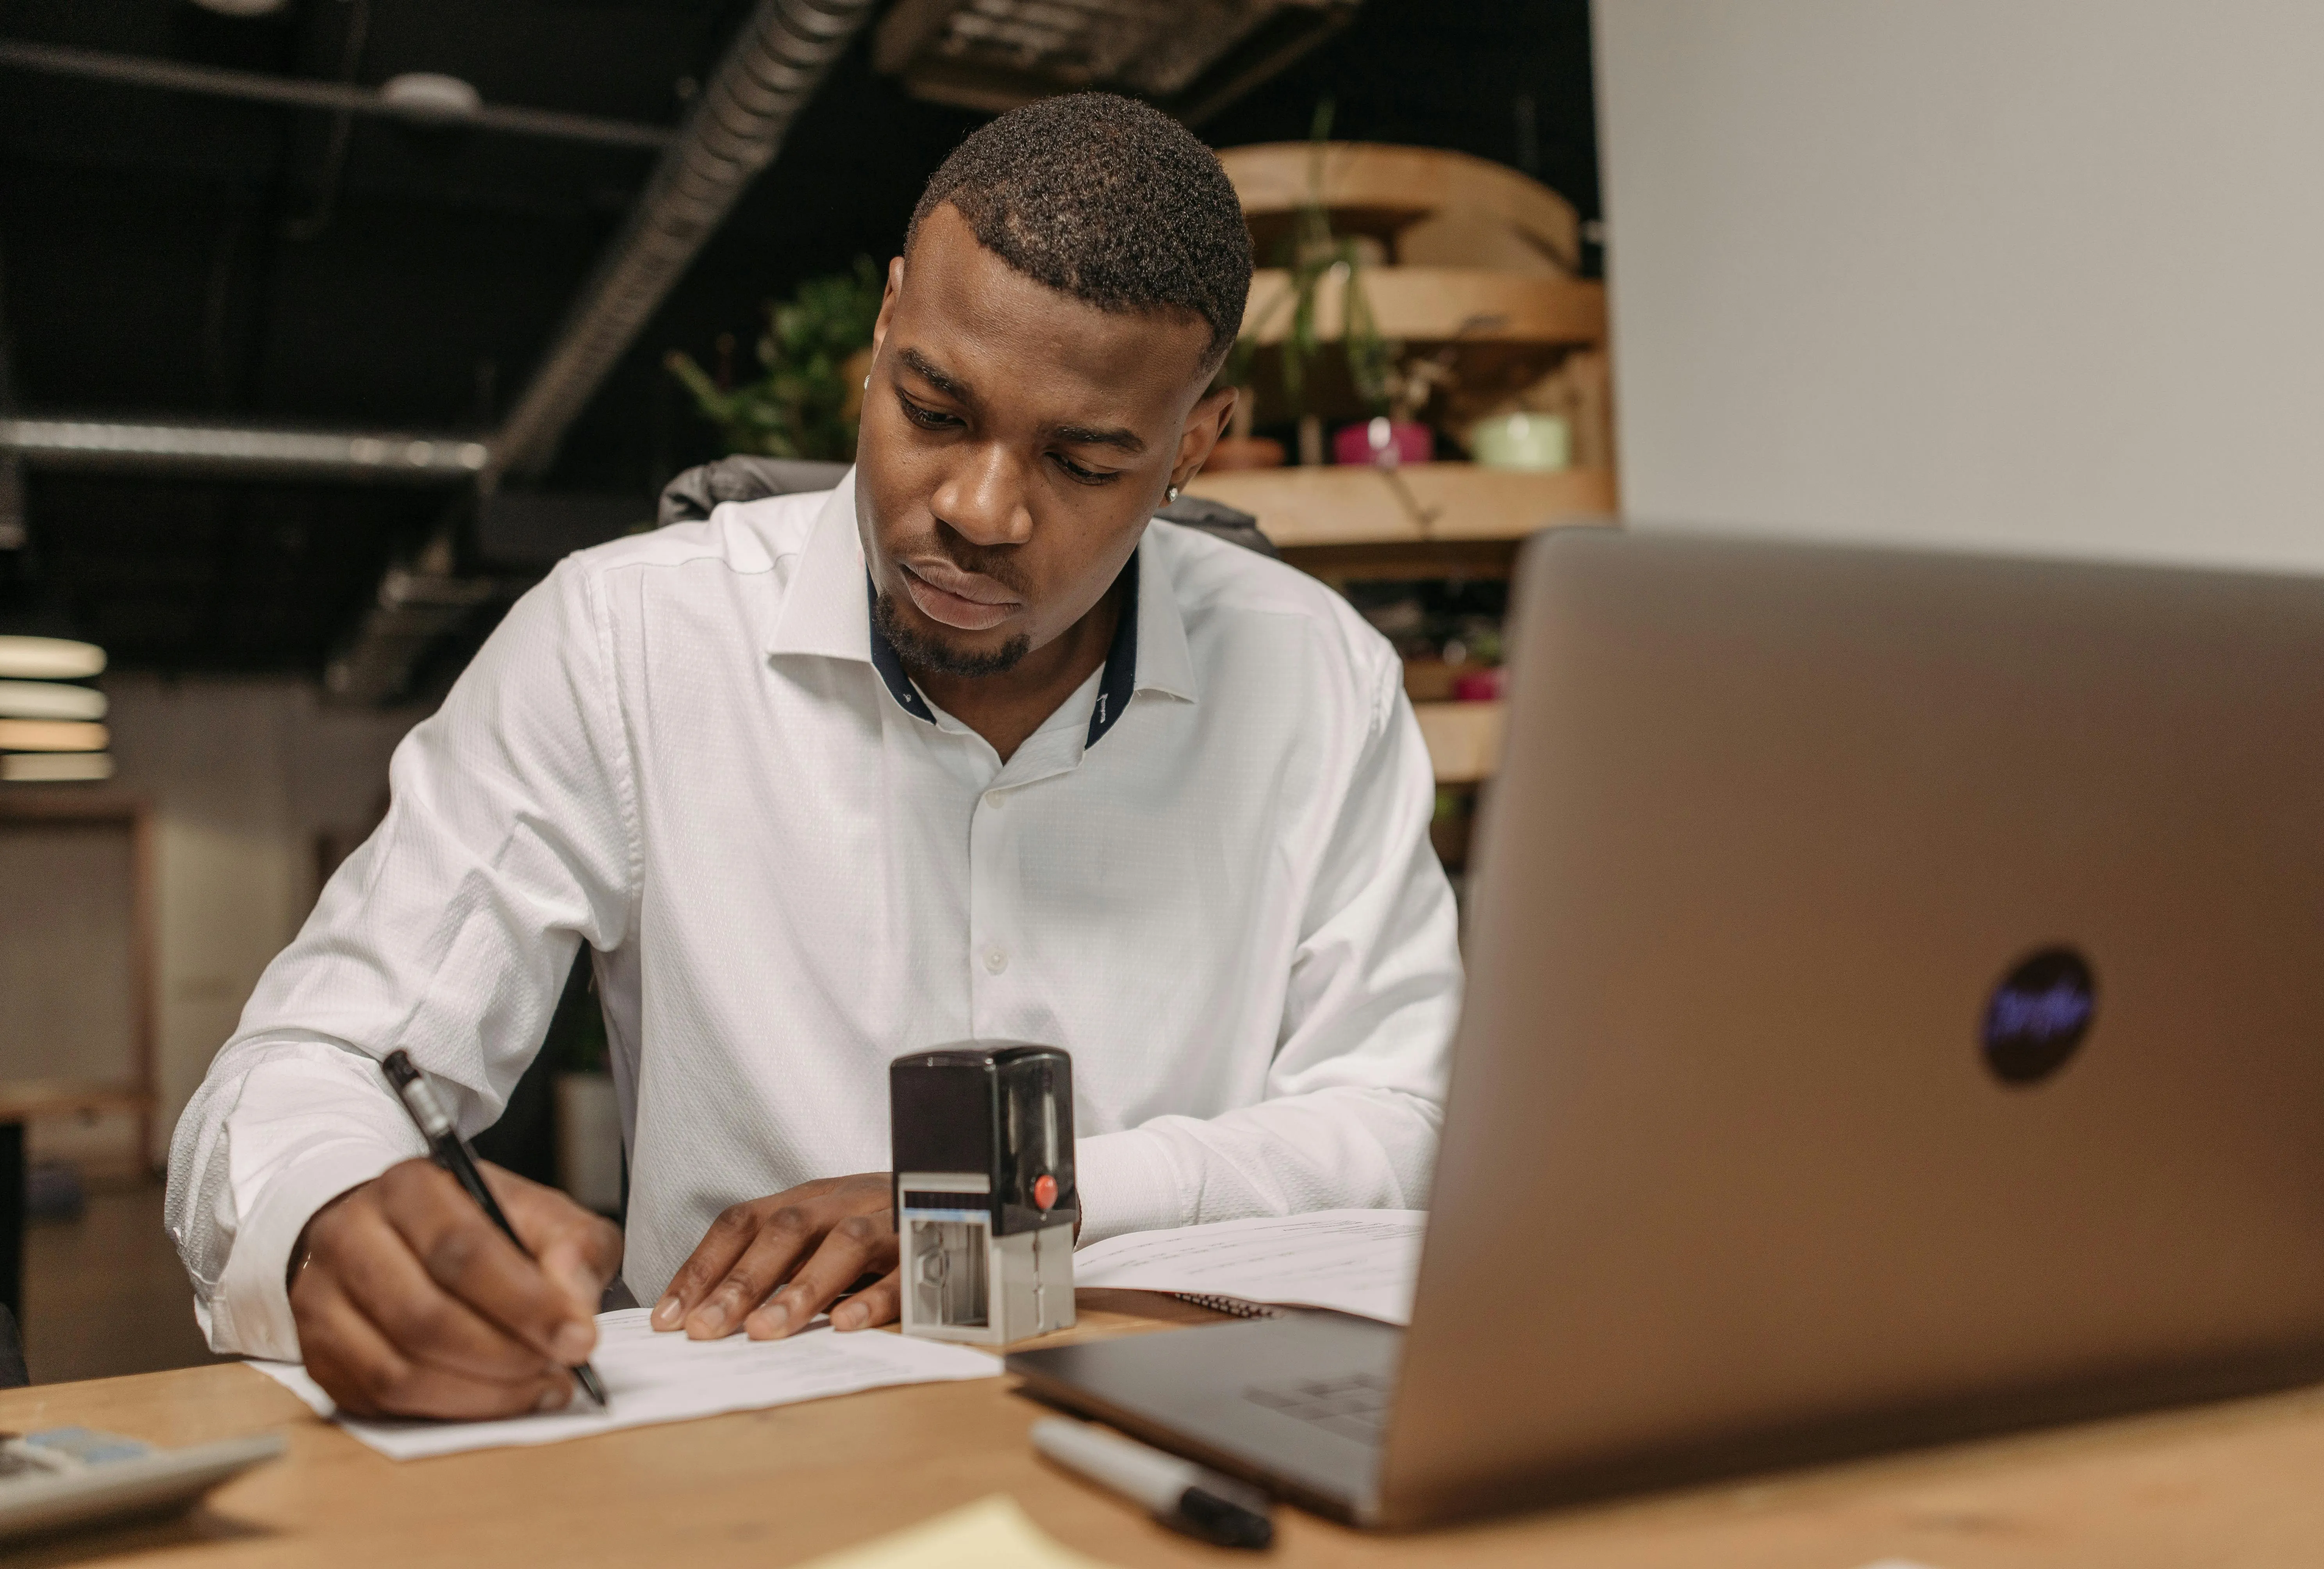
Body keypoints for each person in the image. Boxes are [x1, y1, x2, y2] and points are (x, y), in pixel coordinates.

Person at [166, 93, 1460, 1419]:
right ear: (888, 321)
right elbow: (310, 1062)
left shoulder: (1321, 679)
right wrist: (334, 1213)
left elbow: (1404, 1119)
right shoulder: (623, 642)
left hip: (1190, 1424)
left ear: (1197, 442)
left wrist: (1025, 1202)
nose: (979, 510)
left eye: (1083, 459)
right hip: (750, 1442)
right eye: (936, 412)